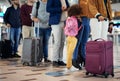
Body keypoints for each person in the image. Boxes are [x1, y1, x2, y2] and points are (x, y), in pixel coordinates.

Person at [47, 0, 69, 67]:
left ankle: (60, 59)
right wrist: (60, 9)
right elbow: (48, 9)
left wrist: (67, 8)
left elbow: (68, 6)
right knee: (57, 41)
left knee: (62, 41)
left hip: (64, 22)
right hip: (56, 22)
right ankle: (55, 60)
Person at [72, 0, 91, 68]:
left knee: (84, 42)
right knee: (77, 42)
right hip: (80, 20)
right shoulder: (78, 1)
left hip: (88, 20)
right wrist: (77, 16)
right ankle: (74, 59)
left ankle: (84, 58)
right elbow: (73, 6)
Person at [64, 4, 82, 70]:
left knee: (68, 51)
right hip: (73, 38)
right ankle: (69, 65)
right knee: (70, 52)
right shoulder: (73, 19)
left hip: (69, 37)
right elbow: (70, 27)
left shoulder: (69, 18)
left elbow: (73, 28)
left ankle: (68, 65)